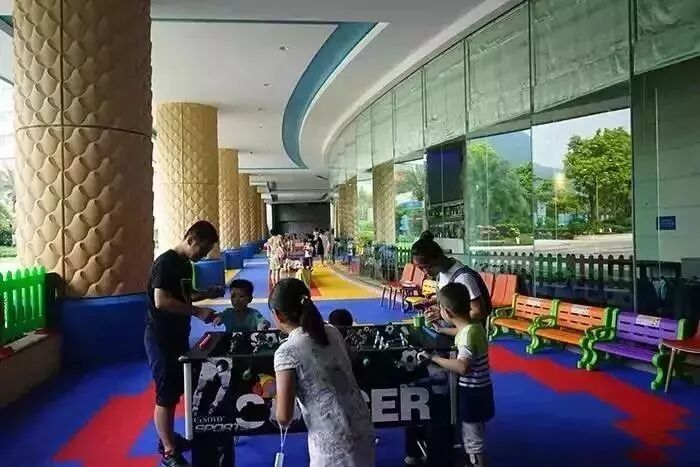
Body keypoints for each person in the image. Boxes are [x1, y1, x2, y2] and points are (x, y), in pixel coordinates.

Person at [145, 220, 224, 467]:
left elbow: (184, 296)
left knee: (178, 388)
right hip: (161, 337)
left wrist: (207, 294)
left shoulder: (185, 265)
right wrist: (198, 312)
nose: (203, 255)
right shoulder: (166, 263)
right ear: (191, 239)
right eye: (202, 249)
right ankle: (169, 451)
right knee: (166, 394)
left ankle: (168, 437)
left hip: (178, 335)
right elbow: (161, 300)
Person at [271, 278, 375, 467]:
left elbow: (284, 418)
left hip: (332, 440)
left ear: (277, 315)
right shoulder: (332, 331)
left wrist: (278, 394)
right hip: (362, 427)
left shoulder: (286, 352)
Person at [419, 282, 495, 466]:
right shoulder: (475, 327)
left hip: (471, 393)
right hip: (482, 390)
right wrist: (441, 329)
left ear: (447, 312)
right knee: (476, 432)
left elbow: (462, 367)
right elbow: (461, 330)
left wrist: (433, 358)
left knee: (472, 439)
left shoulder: (466, 337)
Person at [411, 231, 492, 333]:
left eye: (428, 266)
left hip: (468, 335)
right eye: (421, 269)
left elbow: (479, 312)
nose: (426, 272)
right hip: (450, 331)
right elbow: (457, 299)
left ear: (439, 257)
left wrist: (443, 315)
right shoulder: (441, 274)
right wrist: (432, 302)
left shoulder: (463, 278)